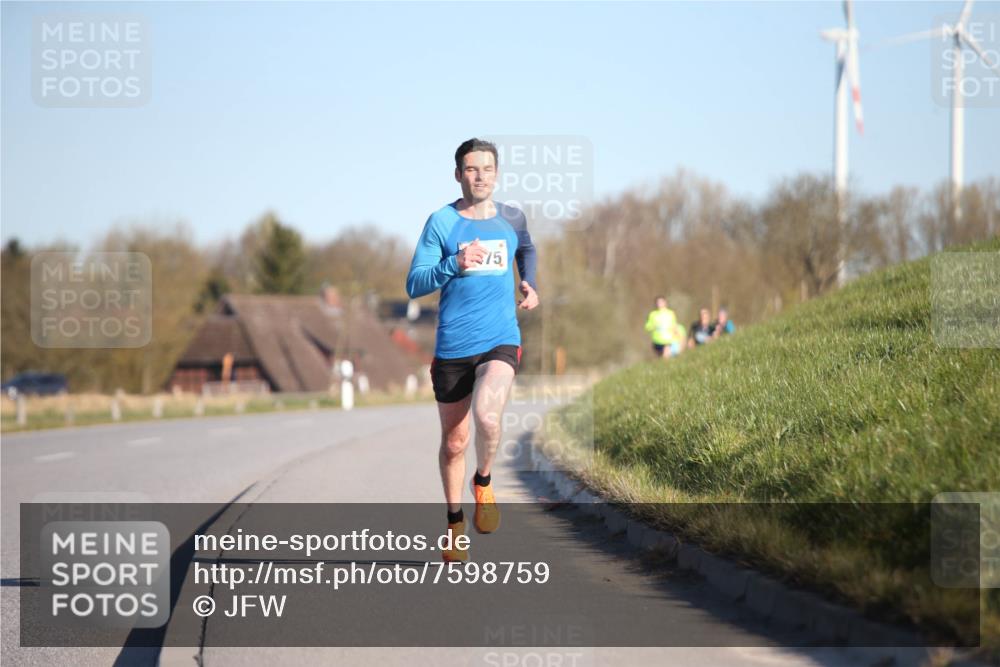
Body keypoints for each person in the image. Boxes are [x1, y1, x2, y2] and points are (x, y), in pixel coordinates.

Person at [406, 138, 539, 562]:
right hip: (453, 348)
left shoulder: (512, 217)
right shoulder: (442, 222)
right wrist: (454, 264)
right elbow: (414, 283)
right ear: (458, 174)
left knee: (488, 417)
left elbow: (527, 248)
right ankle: (454, 524)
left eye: (487, 169)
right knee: (455, 442)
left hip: (500, 339)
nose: (480, 176)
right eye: (471, 169)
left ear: (496, 174)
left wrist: (529, 282)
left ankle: (483, 481)